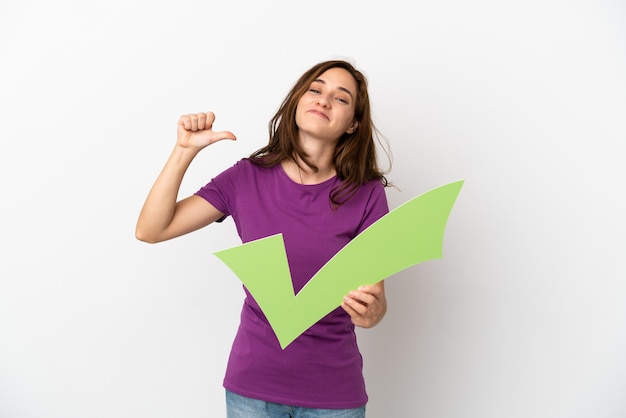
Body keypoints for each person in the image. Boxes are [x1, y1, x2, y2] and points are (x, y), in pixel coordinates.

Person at [136, 59, 392, 417]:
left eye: (341, 98)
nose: (324, 99)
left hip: (334, 394)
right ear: (297, 102)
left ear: (352, 124)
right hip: (252, 391)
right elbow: (151, 229)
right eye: (315, 89)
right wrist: (184, 150)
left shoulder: (366, 194)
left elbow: (373, 302)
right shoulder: (246, 178)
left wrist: (374, 313)